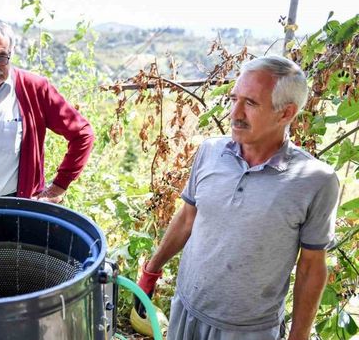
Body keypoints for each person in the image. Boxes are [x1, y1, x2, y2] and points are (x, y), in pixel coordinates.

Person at [132, 55, 339, 340]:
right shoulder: (210, 152)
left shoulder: (315, 180)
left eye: (251, 103)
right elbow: (188, 218)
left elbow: (311, 266)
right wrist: (151, 271)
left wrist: (298, 336)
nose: (235, 113)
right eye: (234, 99)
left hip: (248, 331)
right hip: (186, 311)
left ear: (286, 113)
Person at [0, 18, 94, 202]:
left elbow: (82, 134)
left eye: (1, 58)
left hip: (20, 206)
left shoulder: (34, 88)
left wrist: (59, 186)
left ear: (11, 53)